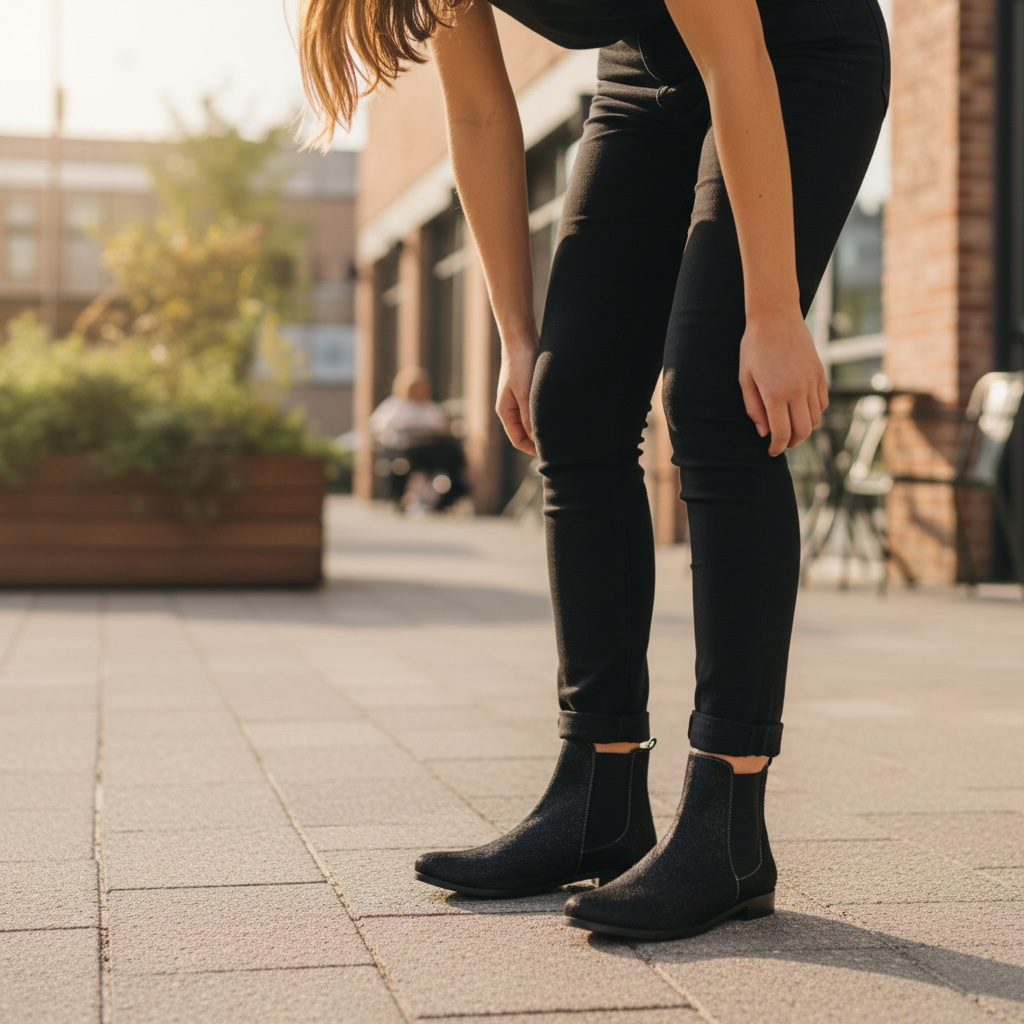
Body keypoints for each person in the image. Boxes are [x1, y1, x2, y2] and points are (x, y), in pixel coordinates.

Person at [299, 0, 888, 939]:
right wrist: (515, 335)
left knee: (711, 390)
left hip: (793, 52)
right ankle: (598, 798)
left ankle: (729, 821)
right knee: (568, 396)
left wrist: (774, 314)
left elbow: (738, 58)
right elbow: (482, 118)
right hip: (644, 79)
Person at [368, 366, 467, 511]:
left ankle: (449, 497)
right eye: (413, 387)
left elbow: (442, 429)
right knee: (402, 462)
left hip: (427, 450)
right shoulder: (393, 406)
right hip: (403, 449)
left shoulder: (430, 408)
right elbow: (378, 427)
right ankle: (397, 498)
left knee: (453, 454)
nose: (417, 390)